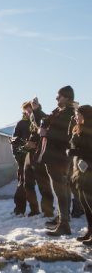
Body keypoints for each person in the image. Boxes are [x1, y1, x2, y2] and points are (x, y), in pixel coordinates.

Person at [33, 86, 76, 236]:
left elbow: (66, 136)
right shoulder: (61, 112)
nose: (56, 99)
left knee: (61, 191)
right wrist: (37, 111)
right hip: (55, 157)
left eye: (59, 97)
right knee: (63, 190)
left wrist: (46, 133)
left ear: (67, 97)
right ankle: (63, 219)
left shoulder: (70, 113)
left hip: (59, 158)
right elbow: (48, 122)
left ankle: (64, 224)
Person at [18, 101, 54, 217]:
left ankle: (48, 210)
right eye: (26, 112)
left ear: (35, 109)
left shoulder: (43, 117)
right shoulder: (26, 123)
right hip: (29, 155)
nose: (28, 114)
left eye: (29, 111)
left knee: (44, 185)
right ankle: (34, 209)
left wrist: (36, 145)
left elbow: (47, 137)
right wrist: (26, 145)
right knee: (27, 185)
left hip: (40, 156)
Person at [68, 105, 92, 245]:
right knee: (86, 204)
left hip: (90, 172)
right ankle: (90, 231)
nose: (76, 117)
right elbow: (74, 144)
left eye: (78, 115)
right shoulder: (79, 129)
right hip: (81, 171)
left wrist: (75, 152)